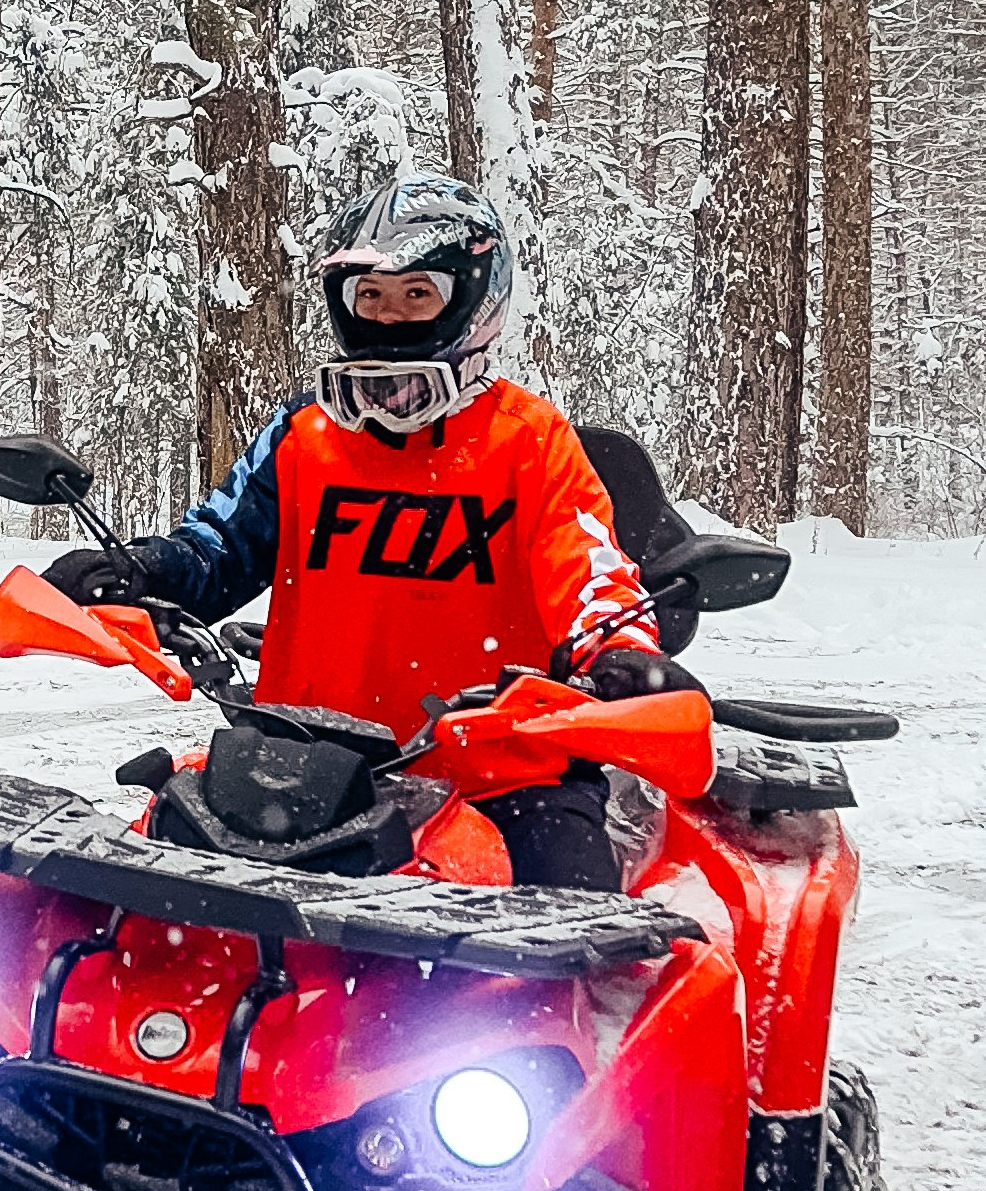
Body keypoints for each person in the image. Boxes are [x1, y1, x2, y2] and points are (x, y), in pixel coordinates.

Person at [43, 171, 692, 893]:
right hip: (301, 768)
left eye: (418, 295)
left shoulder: (529, 442)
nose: (388, 319)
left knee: (576, 945)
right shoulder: (307, 435)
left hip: (497, 775)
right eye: (371, 297)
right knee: (157, 919)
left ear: (474, 302)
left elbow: (592, 574)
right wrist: (143, 570)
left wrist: (621, 652)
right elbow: (219, 548)